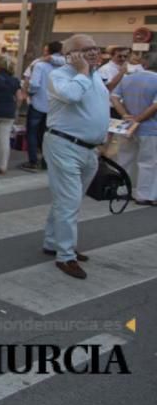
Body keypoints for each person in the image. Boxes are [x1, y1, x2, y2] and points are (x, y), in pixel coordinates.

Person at [42, 34, 109, 280]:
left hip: (89, 148)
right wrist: (82, 72)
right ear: (70, 55)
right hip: (64, 145)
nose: (93, 53)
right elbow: (71, 96)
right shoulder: (58, 76)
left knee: (69, 200)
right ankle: (65, 255)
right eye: (85, 50)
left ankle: (53, 241)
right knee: (69, 201)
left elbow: (99, 108)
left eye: (95, 48)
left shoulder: (96, 77)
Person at [111, 52, 157, 205]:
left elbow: (114, 97)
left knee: (125, 158)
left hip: (127, 127)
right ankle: (145, 195)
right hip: (151, 128)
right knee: (148, 162)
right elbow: (155, 105)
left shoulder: (128, 79)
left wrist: (125, 115)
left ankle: (122, 190)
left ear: (145, 63)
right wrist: (139, 119)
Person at [20, 41, 64, 172]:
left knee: (32, 132)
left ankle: (33, 160)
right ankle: (46, 160)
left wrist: (30, 94)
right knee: (47, 134)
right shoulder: (65, 65)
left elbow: (34, 84)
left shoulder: (39, 65)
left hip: (38, 103)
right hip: (55, 104)